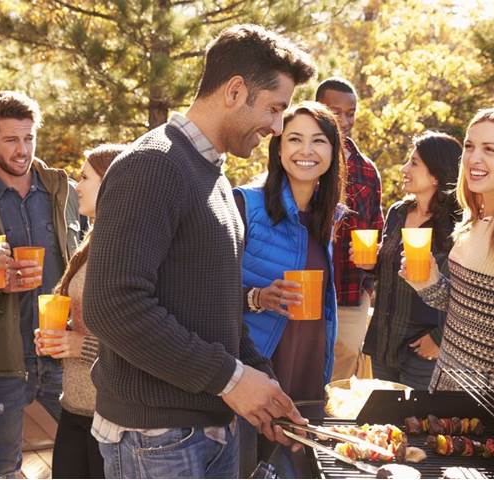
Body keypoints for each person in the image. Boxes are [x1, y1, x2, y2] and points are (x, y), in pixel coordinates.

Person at [82, 24, 316, 479]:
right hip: (155, 441)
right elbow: (112, 305)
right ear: (234, 91)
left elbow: (219, 310)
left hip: (206, 429)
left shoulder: (215, 179)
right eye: (273, 108)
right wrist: (231, 379)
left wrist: (261, 386)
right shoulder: (153, 165)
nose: (276, 127)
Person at [234, 102, 344, 475]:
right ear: (278, 149)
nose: (306, 151)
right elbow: (204, 293)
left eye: (318, 141)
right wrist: (258, 297)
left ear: (333, 151)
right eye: (294, 139)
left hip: (309, 371)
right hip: (257, 371)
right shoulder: (244, 205)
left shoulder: (327, 216)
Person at [0, 90, 81, 478]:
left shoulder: (63, 189)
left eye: (29, 138)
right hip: (1, 353)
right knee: (1, 468)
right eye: (10, 140)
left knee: (96, 451)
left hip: (61, 348)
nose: (22, 150)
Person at [401, 105, 494, 391]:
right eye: (470, 147)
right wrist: (429, 283)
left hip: (487, 397)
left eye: (490, 149)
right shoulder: (473, 219)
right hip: (446, 382)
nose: (474, 158)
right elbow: (466, 309)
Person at [34, 144, 126, 479]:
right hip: (73, 408)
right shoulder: (92, 243)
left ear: (111, 184)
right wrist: (58, 336)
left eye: (85, 177)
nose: (76, 185)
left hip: (111, 420)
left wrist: (80, 345)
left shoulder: (125, 251)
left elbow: (143, 342)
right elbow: (89, 321)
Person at [359, 131, 461, 390]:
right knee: (384, 423)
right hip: (385, 342)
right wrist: (372, 265)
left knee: (415, 423)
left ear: (437, 175)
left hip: (422, 349)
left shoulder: (457, 226)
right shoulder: (398, 212)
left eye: (414, 163)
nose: (404, 168)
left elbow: (464, 292)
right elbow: (391, 273)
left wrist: (440, 339)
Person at [315, 77, 383, 381]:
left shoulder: (367, 170)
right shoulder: (302, 160)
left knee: (341, 377)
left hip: (350, 291)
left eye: (351, 112)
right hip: (304, 289)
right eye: (335, 111)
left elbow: (376, 229)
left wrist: (371, 274)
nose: (344, 120)